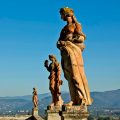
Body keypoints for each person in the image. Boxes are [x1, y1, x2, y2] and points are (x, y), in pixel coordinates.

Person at [57, 7, 93, 106]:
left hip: (74, 52)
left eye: (61, 14)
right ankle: (74, 99)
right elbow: (59, 40)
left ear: (66, 14)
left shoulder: (76, 25)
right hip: (65, 53)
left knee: (76, 75)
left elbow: (81, 38)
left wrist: (69, 41)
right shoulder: (64, 28)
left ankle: (81, 98)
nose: (61, 17)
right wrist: (60, 43)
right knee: (69, 77)